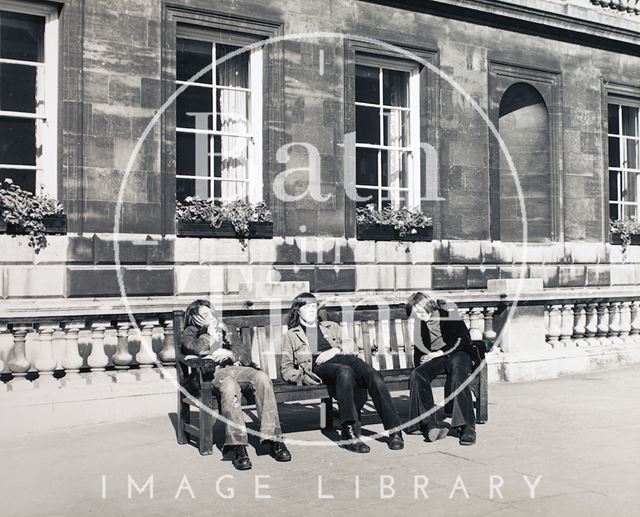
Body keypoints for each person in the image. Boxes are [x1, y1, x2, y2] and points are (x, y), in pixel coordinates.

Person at [280, 293, 404, 453]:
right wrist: (304, 377)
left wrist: (334, 350)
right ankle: (349, 432)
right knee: (344, 372)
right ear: (298, 310)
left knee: (373, 376)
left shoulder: (331, 326)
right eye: (307, 307)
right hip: (321, 368)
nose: (312, 309)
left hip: (342, 357)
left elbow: (351, 347)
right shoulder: (292, 335)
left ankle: (395, 431)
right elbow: (286, 368)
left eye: (314, 306)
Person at [181, 299, 291, 470]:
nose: (210, 317)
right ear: (195, 318)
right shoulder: (191, 331)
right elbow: (194, 349)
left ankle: (273, 438)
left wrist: (230, 354)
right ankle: (238, 445)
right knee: (230, 387)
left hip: (235, 368)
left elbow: (242, 351)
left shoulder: (226, 327)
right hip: (214, 373)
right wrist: (209, 334)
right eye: (204, 315)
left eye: (211, 312)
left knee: (262, 378)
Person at [405, 292, 480, 446]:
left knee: (458, 372)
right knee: (417, 374)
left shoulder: (448, 315)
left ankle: (467, 427)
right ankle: (429, 424)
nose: (418, 316)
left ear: (428, 306)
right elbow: (419, 350)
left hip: (459, 353)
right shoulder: (420, 324)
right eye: (415, 315)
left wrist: (437, 353)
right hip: (437, 358)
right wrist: (421, 363)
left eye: (419, 312)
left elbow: (464, 339)